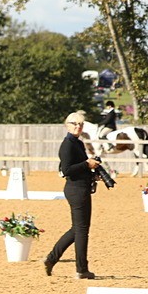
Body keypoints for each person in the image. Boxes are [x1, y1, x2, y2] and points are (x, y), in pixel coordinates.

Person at [43, 111, 100, 279]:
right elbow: (67, 170)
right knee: (82, 230)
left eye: (80, 124)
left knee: (77, 229)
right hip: (76, 189)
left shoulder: (78, 143)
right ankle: (81, 269)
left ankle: (51, 259)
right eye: (74, 124)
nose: (78, 126)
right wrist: (86, 163)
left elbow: (79, 167)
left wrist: (92, 173)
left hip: (80, 187)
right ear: (67, 125)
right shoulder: (67, 144)